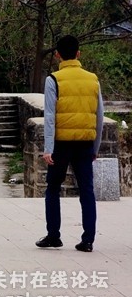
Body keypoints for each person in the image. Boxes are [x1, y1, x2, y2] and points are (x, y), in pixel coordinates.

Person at [37, 35, 104, 253]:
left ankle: (53, 236)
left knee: (52, 189)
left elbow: (49, 116)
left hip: (61, 144)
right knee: (87, 190)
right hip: (85, 143)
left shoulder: (53, 79)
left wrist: (48, 149)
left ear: (57, 55)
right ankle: (88, 240)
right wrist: (95, 147)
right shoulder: (93, 79)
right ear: (78, 54)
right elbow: (99, 116)